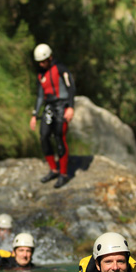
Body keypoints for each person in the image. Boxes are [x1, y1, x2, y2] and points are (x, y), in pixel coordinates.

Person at [29, 43, 76, 189]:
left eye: (44, 61)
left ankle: (63, 174)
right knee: (44, 136)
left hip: (62, 106)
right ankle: (53, 169)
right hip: (49, 107)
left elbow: (71, 87)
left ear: (50, 57)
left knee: (59, 137)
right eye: (39, 62)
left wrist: (70, 107)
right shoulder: (41, 75)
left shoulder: (60, 69)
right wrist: (35, 114)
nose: (42, 64)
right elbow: (40, 96)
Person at [72, 232, 136, 272]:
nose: (115, 268)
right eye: (108, 262)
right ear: (97, 264)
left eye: (120, 261)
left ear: (127, 263)